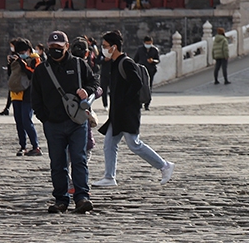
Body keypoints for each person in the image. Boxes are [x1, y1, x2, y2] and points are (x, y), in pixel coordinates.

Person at [92, 30, 175, 188]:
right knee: (109, 144)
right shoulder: (114, 63)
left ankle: (164, 166)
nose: (103, 49)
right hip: (117, 113)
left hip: (127, 113)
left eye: (105, 46)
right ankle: (109, 177)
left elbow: (137, 83)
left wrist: (125, 102)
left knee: (134, 144)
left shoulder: (125, 62)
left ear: (114, 47)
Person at [30, 31, 97, 213]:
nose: (55, 50)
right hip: (53, 124)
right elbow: (35, 96)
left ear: (67, 46)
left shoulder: (79, 65)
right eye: (52, 47)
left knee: (79, 159)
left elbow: (94, 83)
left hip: (77, 122)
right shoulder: (42, 70)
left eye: (59, 47)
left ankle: (82, 197)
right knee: (57, 164)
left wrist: (87, 90)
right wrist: (44, 118)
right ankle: (61, 199)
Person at [8, 38, 41, 156]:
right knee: (19, 122)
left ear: (28, 50)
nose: (21, 54)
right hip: (16, 94)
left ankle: (36, 146)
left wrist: (22, 63)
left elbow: (33, 74)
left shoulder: (35, 59)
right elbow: (11, 75)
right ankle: (23, 146)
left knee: (26, 120)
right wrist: (10, 63)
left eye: (22, 52)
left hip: (28, 94)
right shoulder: (16, 59)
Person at [134, 36, 161, 109]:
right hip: (141, 70)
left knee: (149, 87)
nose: (148, 44)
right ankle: (139, 102)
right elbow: (136, 60)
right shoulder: (140, 50)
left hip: (151, 70)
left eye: (149, 43)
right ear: (144, 43)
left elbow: (158, 60)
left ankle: (147, 104)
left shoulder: (154, 50)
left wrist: (153, 61)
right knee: (140, 86)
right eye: (147, 43)